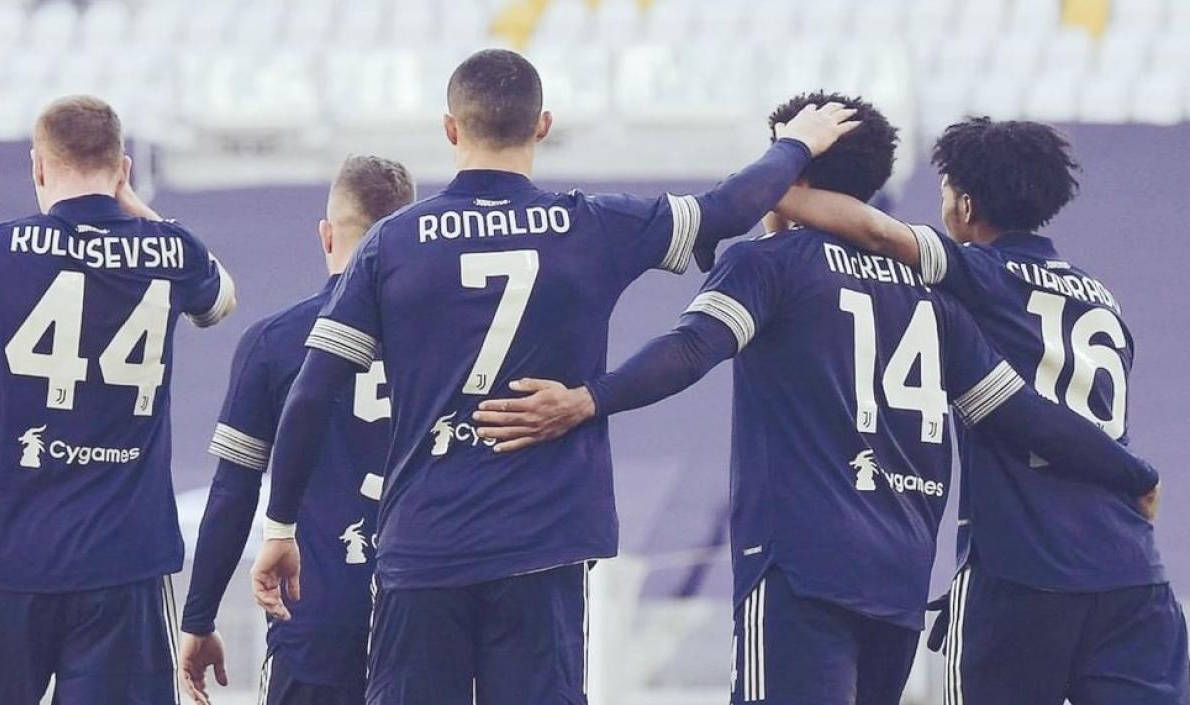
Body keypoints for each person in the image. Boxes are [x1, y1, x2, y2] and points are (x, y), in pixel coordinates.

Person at [471, 93, 1161, 705]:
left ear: (792, 177)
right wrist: (1130, 471)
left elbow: (689, 350)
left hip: (803, 565)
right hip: (900, 580)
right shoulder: (935, 299)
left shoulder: (773, 264)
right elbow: (1023, 414)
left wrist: (588, 398)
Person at [250, 50, 860, 705]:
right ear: (542, 125)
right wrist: (797, 144)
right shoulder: (590, 224)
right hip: (543, 543)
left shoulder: (392, 242)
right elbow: (727, 210)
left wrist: (281, 526)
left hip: (424, 546)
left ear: (451, 129)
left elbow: (312, 392)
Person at [763, 116, 1189, 705]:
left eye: (943, 191)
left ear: (964, 204)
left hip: (1022, 567)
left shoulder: (980, 274)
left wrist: (773, 188)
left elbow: (880, 234)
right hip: (1132, 576)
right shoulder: (1102, 299)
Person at [0, 95, 235, 704]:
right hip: (126, 563)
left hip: (11, 558)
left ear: (38, 167)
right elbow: (221, 298)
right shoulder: (172, 252)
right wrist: (138, 212)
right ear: (122, 167)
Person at [177, 155, 414, 705]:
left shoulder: (276, 341)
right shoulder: (451, 337)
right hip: (428, 614)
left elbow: (234, 491)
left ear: (327, 236)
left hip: (316, 620)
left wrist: (200, 616)